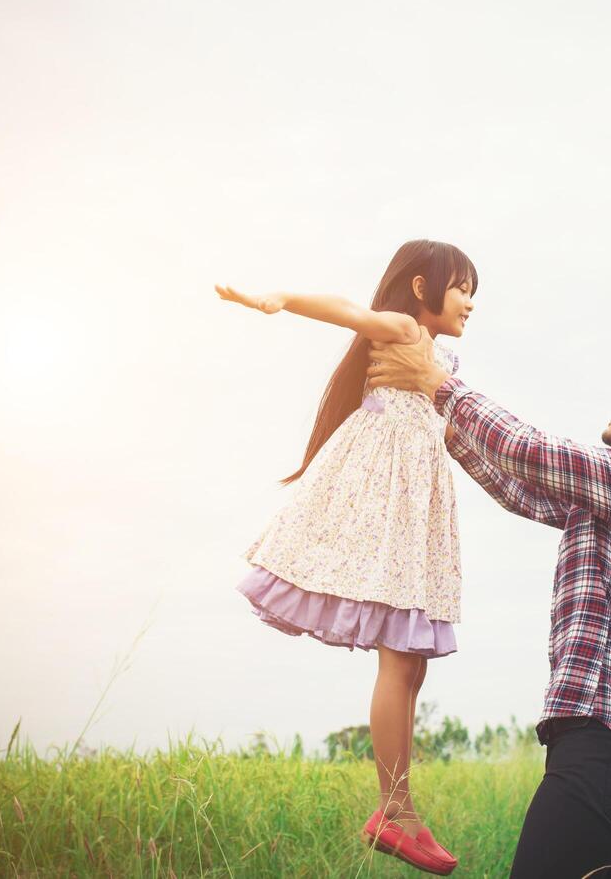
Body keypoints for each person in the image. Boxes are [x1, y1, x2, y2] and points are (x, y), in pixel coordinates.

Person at [366, 328, 611, 879]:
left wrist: (438, 383)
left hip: (604, 739)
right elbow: (523, 485)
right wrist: (438, 423)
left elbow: (532, 450)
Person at [216, 239, 478, 876]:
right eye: (461, 287)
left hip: (415, 509)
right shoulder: (402, 328)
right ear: (421, 287)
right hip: (386, 502)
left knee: (412, 663)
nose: (470, 302)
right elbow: (343, 308)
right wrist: (279, 300)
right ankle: (394, 809)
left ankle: (401, 809)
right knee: (398, 658)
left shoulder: (437, 357)